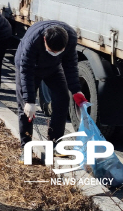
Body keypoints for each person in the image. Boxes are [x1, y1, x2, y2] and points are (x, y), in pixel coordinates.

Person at [15, 21, 87, 161]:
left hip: (53, 68)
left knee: (63, 98)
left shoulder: (71, 37)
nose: (54, 53)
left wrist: (76, 90)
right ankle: (26, 148)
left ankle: (55, 143)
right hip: (29, 68)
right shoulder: (33, 40)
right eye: (51, 50)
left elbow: (70, 65)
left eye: (58, 51)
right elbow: (26, 70)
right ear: (44, 40)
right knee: (25, 108)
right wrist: (30, 101)